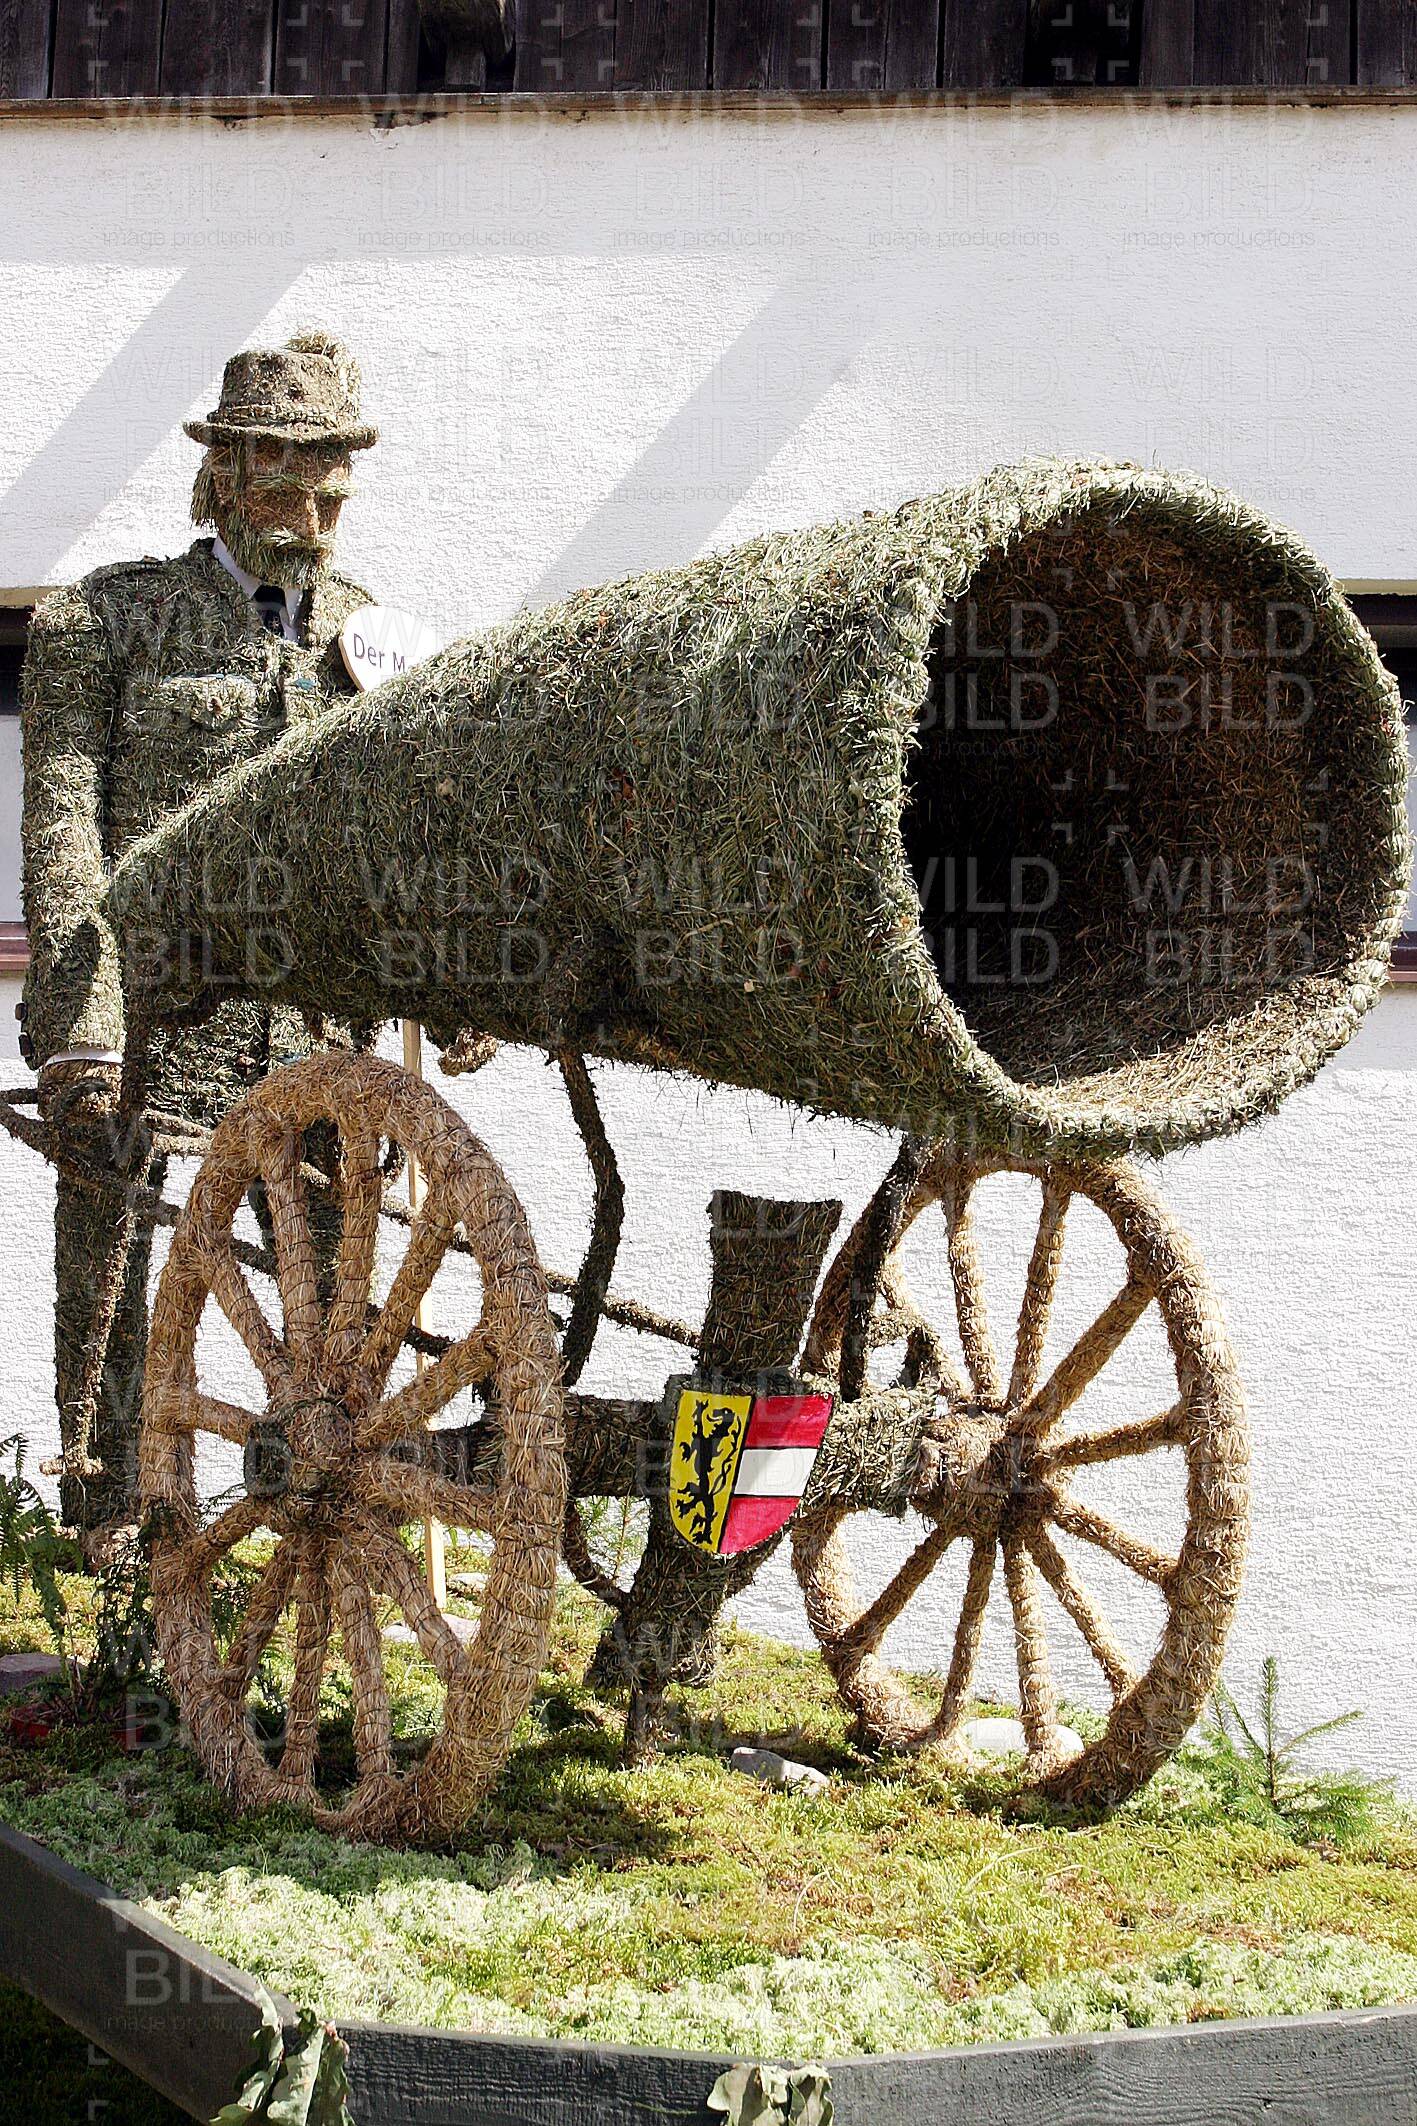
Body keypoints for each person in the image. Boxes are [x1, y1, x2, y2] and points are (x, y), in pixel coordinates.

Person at [19, 329, 379, 1547]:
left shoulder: (369, 637)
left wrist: (452, 979)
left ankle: (325, 1511)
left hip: (314, 1023)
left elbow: (404, 831)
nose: (315, 520)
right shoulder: (107, 621)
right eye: (288, 487)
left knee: (330, 1287)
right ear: (223, 474)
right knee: (116, 1265)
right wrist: (84, 1031)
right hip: (148, 1010)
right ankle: (111, 1513)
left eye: (334, 492)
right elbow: (63, 829)